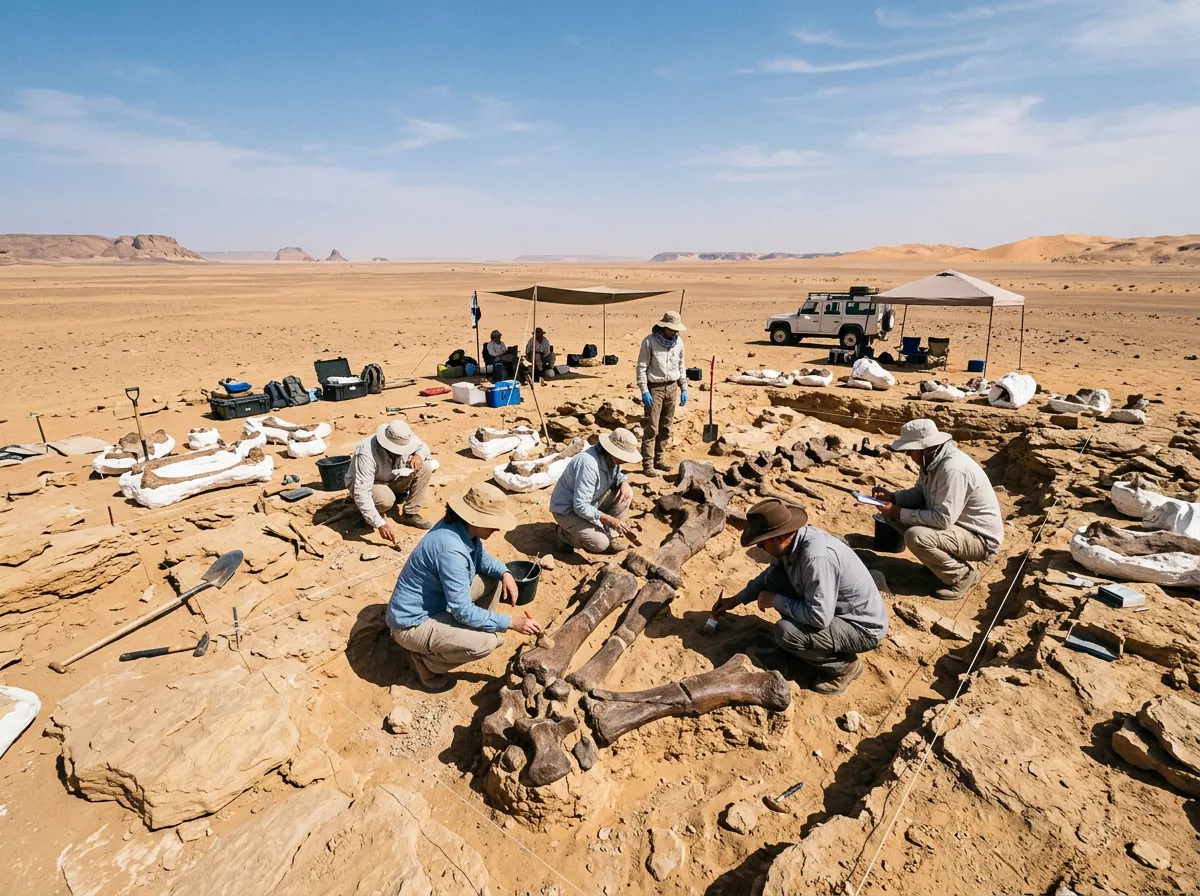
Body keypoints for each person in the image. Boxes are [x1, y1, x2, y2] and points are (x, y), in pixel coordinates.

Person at [711, 498, 886, 695]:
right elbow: (767, 578)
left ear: (777, 537)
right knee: (775, 578)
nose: (760, 549)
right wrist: (735, 600)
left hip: (860, 628)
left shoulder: (815, 558)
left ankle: (844, 668)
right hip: (832, 610)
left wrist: (775, 600)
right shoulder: (791, 544)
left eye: (761, 544)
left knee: (786, 632)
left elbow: (819, 617)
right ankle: (811, 644)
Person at [386, 483, 543, 691]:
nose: (496, 528)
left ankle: (470, 632)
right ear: (474, 519)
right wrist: (512, 622)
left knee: (493, 578)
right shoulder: (451, 550)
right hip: (412, 624)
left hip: (436, 604)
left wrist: (505, 573)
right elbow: (462, 610)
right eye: (493, 523)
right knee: (486, 643)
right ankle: (426, 663)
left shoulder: (462, 529)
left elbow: (481, 559)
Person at [872, 419, 1004, 600]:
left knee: (916, 535)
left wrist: (898, 512)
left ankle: (963, 576)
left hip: (979, 538)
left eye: (910, 450)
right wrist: (893, 498)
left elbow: (943, 519)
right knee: (890, 514)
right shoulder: (931, 462)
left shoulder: (953, 469)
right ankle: (937, 563)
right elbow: (920, 493)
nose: (908, 454)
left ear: (924, 447)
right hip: (957, 527)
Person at [549, 428, 640, 554]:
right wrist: (611, 520)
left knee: (626, 494)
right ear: (613, 451)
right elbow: (580, 506)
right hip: (568, 510)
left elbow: (617, 474)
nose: (626, 460)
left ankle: (609, 534)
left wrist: (624, 482)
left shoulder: (612, 459)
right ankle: (564, 534)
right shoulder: (589, 464)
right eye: (624, 456)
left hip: (592, 500)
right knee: (600, 544)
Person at [346, 420, 437, 540]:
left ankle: (410, 514)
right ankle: (370, 513)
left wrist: (418, 455)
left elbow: (423, 447)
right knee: (386, 500)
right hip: (373, 484)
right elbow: (361, 492)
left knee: (425, 467)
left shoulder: (404, 436)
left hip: (392, 477)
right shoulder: (367, 452)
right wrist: (380, 524)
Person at [636, 310, 688, 477]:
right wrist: (644, 390)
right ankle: (648, 464)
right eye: (671, 329)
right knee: (652, 428)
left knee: (665, 427)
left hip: (672, 387)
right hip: (655, 388)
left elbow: (681, 366)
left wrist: (684, 388)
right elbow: (641, 367)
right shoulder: (649, 342)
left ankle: (659, 459)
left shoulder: (679, 342)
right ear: (664, 326)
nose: (674, 332)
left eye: (676, 329)